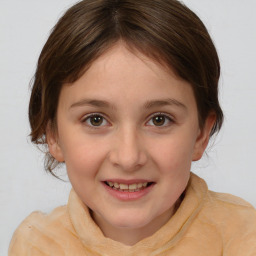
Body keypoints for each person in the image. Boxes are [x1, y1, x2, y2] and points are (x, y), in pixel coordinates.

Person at [8, 0, 256, 255]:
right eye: (95, 119)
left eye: (159, 120)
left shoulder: (243, 237)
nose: (128, 158)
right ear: (54, 135)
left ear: (200, 135)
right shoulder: (35, 246)